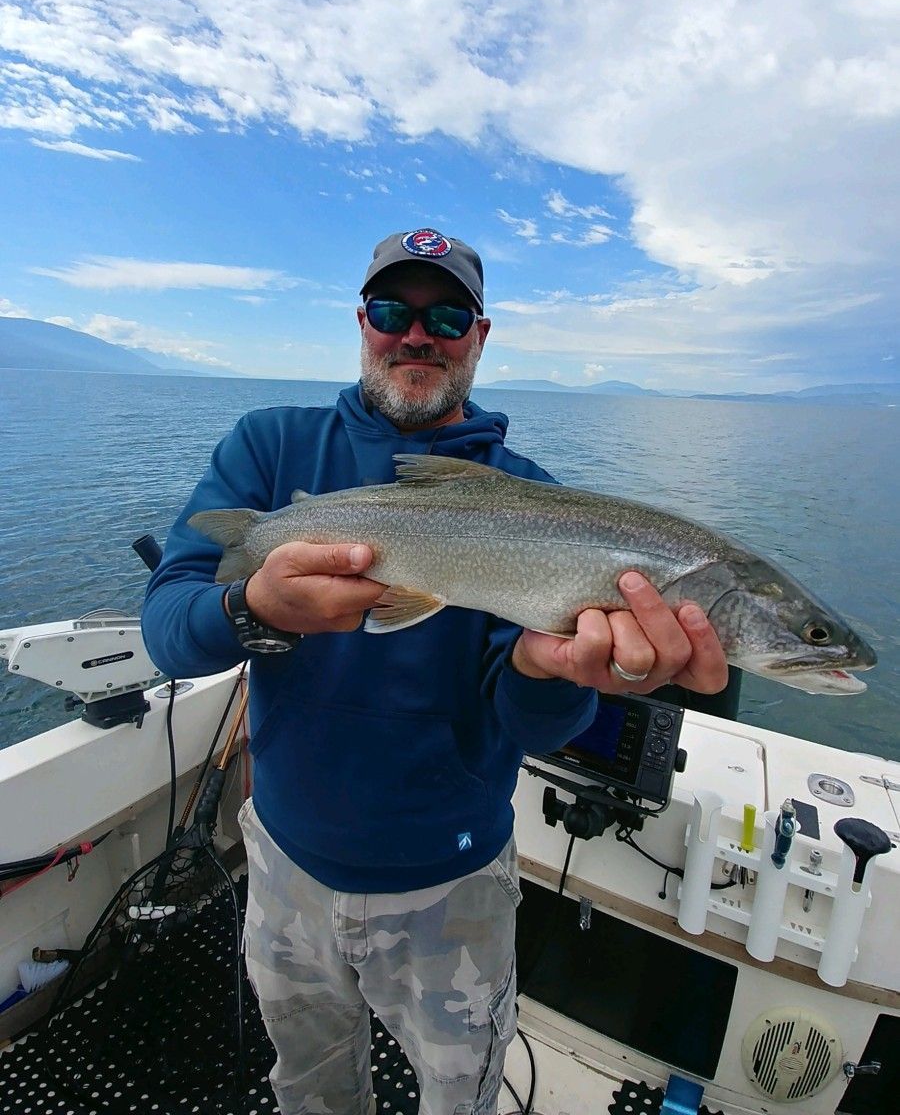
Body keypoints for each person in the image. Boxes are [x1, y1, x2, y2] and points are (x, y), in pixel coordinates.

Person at [141, 227, 728, 1115]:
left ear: (479, 338)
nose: (417, 334)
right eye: (393, 310)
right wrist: (252, 606)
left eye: (447, 315)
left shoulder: (541, 508)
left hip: (453, 888)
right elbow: (169, 629)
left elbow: (532, 723)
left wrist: (550, 665)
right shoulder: (270, 449)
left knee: (462, 1099)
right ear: (363, 323)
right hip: (284, 865)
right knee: (309, 1089)